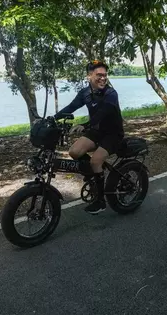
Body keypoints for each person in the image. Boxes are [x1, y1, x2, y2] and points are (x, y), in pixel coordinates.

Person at [53, 60, 124, 214]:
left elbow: (102, 113)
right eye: (99, 75)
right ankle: (93, 177)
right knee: (74, 152)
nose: (103, 78)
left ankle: (100, 201)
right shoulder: (85, 93)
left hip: (113, 133)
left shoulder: (111, 93)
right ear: (89, 76)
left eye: (105, 75)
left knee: (95, 160)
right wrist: (53, 118)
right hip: (97, 131)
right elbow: (71, 107)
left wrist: (85, 125)